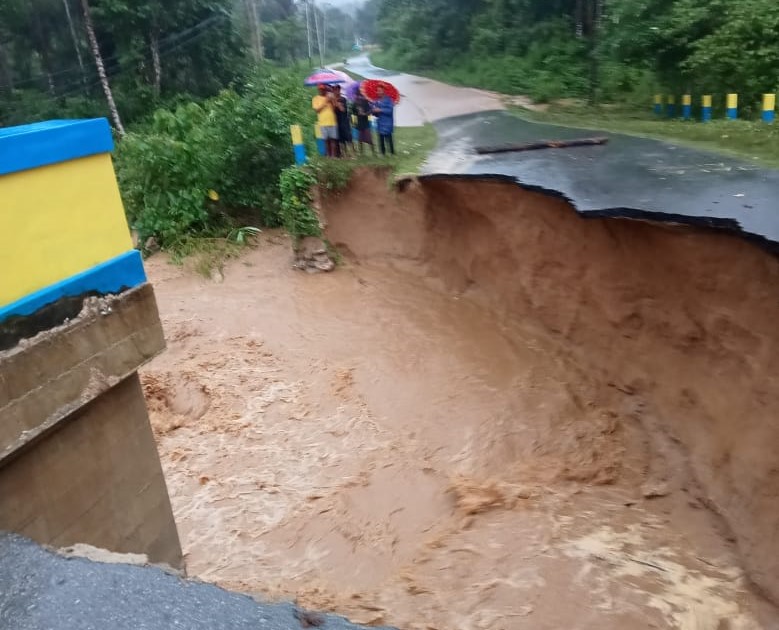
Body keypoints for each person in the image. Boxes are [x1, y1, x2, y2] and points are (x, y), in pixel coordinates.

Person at [312, 84, 338, 158]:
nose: (322, 90)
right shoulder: (315, 98)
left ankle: (333, 156)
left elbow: (334, 109)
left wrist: (332, 101)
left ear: (325, 90)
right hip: (323, 122)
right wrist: (326, 101)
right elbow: (317, 110)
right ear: (318, 90)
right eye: (320, 89)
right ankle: (328, 156)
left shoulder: (330, 97)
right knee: (326, 140)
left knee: (333, 139)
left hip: (332, 121)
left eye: (323, 89)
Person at [372, 85, 395, 156]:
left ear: (383, 91)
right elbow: (375, 114)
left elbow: (390, 111)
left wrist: (380, 110)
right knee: (380, 138)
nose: (378, 92)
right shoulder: (376, 101)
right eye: (377, 90)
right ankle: (382, 153)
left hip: (388, 122)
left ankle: (391, 153)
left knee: (389, 138)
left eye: (380, 90)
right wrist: (374, 111)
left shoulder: (389, 100)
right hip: (380, 122)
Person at [333, 85, 354, 157]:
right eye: (335, 90)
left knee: (348, 138)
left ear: (339, 90)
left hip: (344, 121)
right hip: (337, 122)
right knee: (341, 139)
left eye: (337, 90)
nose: (336, 92)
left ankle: (352, 154)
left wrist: (337, 104)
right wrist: (334, 103)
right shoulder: (333, 100)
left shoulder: (343, 99)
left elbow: (343, 109)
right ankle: (344, 154)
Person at [352, 90, 375, 156]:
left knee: (369, 139)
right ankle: (361, 153)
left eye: (359, 96)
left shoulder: (365, 102)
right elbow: (353, 112)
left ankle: (373, 153)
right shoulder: (354, 104)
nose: (358, 97)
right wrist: (357, 112)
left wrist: (364, 114)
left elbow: (370, 111)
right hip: (359, 123)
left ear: (361, 96)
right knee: (360, 139)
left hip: (366, 123)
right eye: (357, 96)